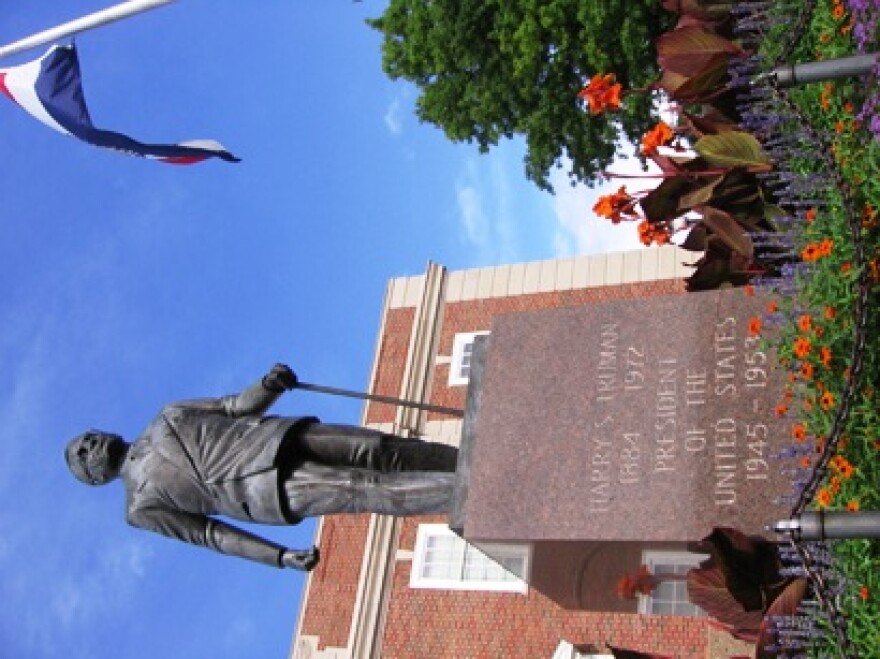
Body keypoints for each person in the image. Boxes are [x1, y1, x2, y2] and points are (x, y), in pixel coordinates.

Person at [64, 364, 459, 571]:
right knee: (366, 487)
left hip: (280, 436)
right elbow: (210, 535)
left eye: (87, 437)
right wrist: (278, 556)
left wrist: (268, 385)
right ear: (95, 478)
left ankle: (469, 460)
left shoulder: (169, 414)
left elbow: (233, 406)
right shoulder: (140, 508)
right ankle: (469, 490)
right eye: (82, 455)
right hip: (263, 489)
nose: (88, 445)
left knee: (379, 447)